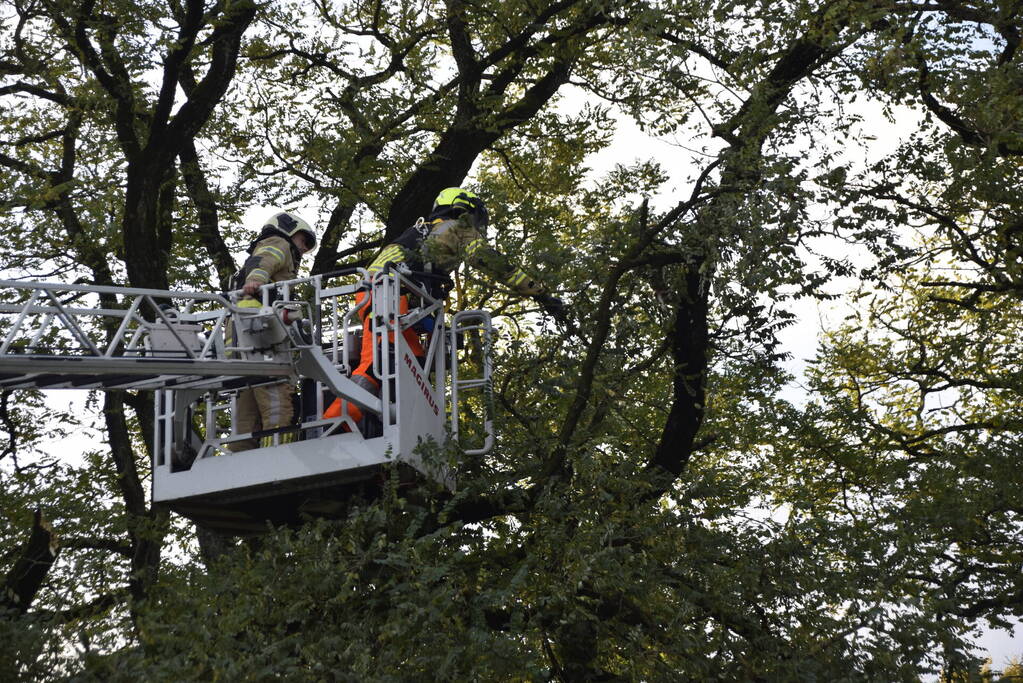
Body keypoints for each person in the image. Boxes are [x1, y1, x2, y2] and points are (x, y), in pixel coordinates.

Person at [325, 187, 564, 425]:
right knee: (378, 362)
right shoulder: (458, 227)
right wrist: (540, 293)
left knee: (413, 362)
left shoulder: (424, 230)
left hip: (387, 294)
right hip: (387, 293)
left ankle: (392, 423)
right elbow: (489, 259)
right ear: (465, 208)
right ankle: (335, 423)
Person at [228, 210, 317, 451]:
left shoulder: (260, 254)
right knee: (278, 400)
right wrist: (256, 280)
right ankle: (278, 452)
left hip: (241, 338)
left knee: (246, 409)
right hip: (261, 334)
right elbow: (266, 260)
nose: (302, 249)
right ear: (289, 229)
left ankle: (241, 458)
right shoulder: (279, 243)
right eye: (303, 241)